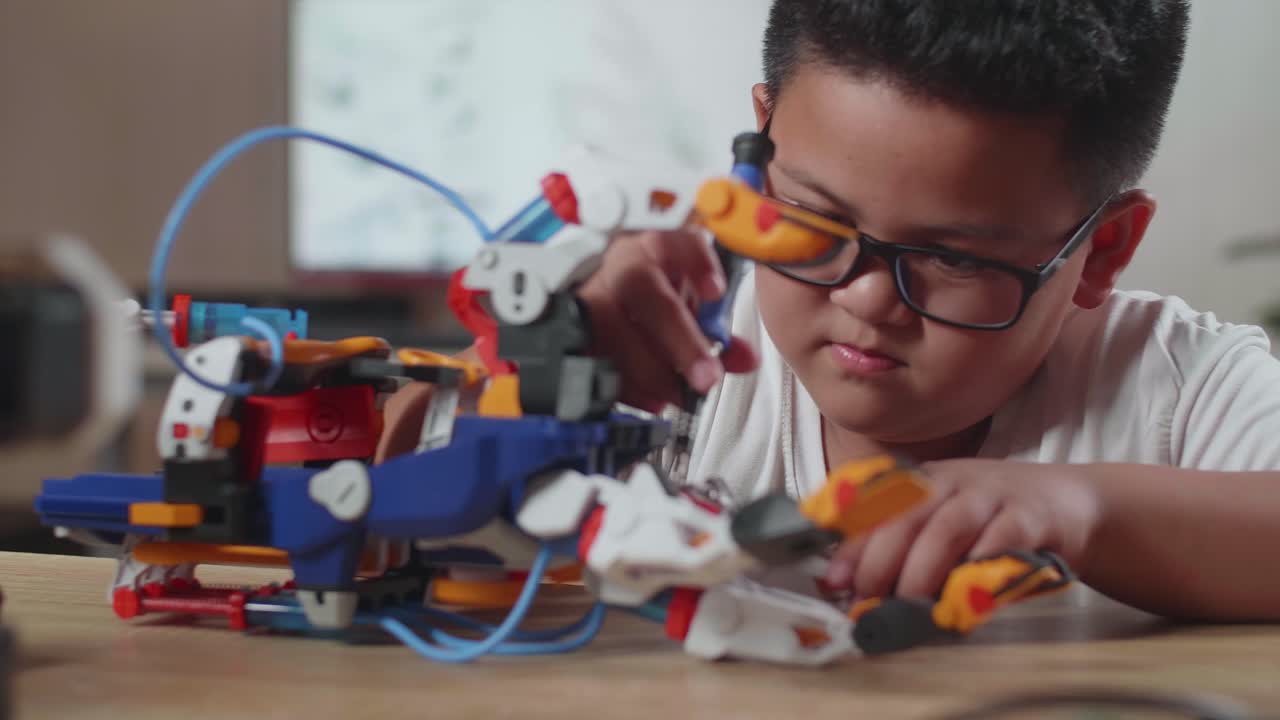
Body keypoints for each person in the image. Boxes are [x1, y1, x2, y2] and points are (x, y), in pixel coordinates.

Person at [384, 0, 1280, 621]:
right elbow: (373, 473)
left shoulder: (1180, 389)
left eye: (953, 258)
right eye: (811, 221)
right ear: (759, 148)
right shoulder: (675, 338)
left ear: (1104, 249)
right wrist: (544, 367)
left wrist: (1082, 509)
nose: (864, 297)